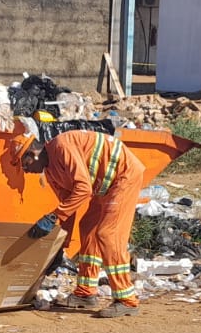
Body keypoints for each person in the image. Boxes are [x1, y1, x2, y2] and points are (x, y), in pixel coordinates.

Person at [23, 130, 145, 318]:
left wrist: (53, 216)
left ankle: (127, 300)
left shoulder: (61, 146)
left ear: (34, 153)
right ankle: (86, 293)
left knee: (108, 234)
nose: (26, 170)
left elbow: (83, 189)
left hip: (123, 176)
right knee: (87, 228)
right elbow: (69, 207)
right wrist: (60, 246)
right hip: (104, 186)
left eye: (25, 163)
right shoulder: (52, 172)